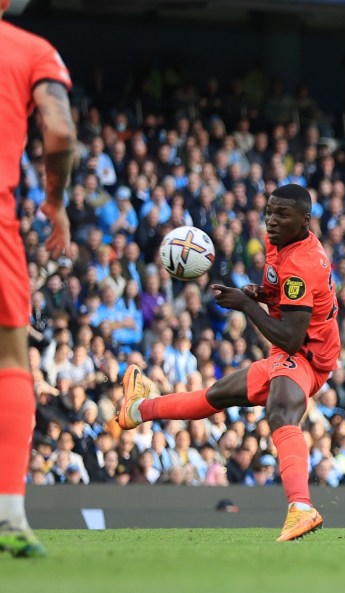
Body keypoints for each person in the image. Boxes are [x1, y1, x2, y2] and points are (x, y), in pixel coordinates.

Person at [116, 184, 340, 542]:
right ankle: (138, 409)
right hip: (294, 352)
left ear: (305, 221)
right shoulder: (278, 243)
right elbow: (277, 290)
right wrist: (259, 293)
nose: (272, 221)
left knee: (281, 412)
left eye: (282, 214)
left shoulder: (302, 263)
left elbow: (290, 339)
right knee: (215, 396)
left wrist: (247, 306)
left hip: (307, 355)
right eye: (269, 211)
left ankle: (302, 507)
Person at [0, 1, 76, 559]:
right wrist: (53, 202)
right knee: (10, 361)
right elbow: (59, 132)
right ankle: (9, 516)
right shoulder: (29, 49)